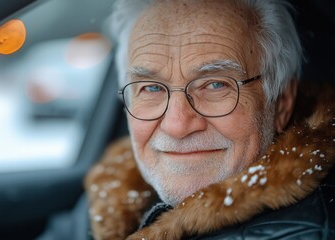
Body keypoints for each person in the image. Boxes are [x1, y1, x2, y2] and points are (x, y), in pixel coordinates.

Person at [85, 0, 335, 239]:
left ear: (281, 103)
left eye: (215, 84)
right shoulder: (111, 195)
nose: (177, 126)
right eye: (151, 88)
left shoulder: (308, 232)